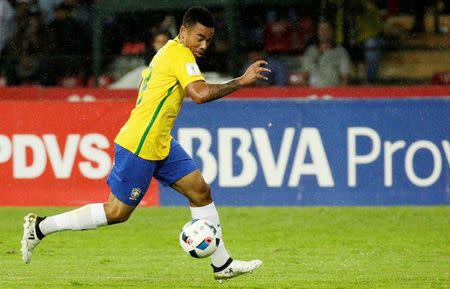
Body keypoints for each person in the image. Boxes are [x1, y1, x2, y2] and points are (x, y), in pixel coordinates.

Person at [21, 6, 269, 282]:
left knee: (200, 191)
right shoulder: (179, 54)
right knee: (116, 212)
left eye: (208, 40)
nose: (204, 45)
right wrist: (241, 81)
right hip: (141, 144)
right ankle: (41, 227)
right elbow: (198, 94)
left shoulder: (171, 52)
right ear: (183, 32)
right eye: (200, 37)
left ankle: (222, 264)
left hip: (160, 141)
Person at [302, 18, 351, 87]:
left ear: (332, 31)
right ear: (317, 32)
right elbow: (305, 75)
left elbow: (345, 77)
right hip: (313, 93)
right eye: (321, 29)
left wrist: (339, 94)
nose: (323, 32)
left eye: (326, 29)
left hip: (333, 93)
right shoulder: (310, 51)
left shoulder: (341, 52)